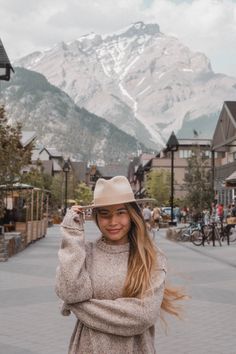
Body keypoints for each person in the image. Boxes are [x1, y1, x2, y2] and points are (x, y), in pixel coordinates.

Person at [55, 176, 185, 354]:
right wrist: (72, 234)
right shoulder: (83, 254)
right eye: (105, 214)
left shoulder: (151, 258)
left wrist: (76, 305)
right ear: (96, 217)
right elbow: (71, 291)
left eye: (121, 212)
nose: (113, 221)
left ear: (132, 215)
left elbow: (143, 315)